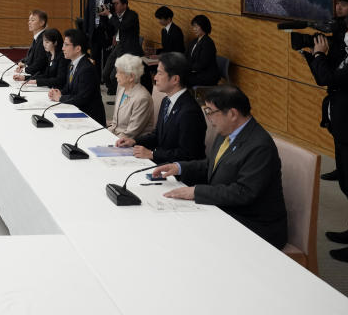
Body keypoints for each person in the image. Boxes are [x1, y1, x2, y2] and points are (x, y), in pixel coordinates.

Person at [153, 86, 287, 249]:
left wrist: (196, 192)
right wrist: (179, 167)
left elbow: (243, 192)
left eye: (210, 111)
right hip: (226, 209)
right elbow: (212, 166)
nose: (208, 118)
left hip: (255, 224)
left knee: (189, 236)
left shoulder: (259, 146)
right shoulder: (226, 133)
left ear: (232, 114)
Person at [304, 14, 348, 261]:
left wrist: (319, 56)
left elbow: (330, 78)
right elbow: (324, 76)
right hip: (344, 127)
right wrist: (312, 56)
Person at [116, 52, 205, 164]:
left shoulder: (189, 111)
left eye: (159, 73)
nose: (155, 78)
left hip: (177, 173)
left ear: (175, 79)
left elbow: (187, 154)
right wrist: (134, 141)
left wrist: (152, 154)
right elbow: (157, 135)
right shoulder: (167, 101)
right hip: (163, 162)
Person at [318, 0, 348, 181]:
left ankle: (346, 169)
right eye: (337, 3)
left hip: (347, 84)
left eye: (343, 4)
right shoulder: (335, 26)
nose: (338, 7)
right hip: (336, 84)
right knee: (337, 130)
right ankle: (340, 167)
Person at [47, 29, 106, 125]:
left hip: (90, 119)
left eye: (66, 45)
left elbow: (82, 98)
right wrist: (59, 92)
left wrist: (60, 98)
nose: (62, 48)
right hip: (78, 112)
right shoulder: (72, 63)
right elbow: (69, 88)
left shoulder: (87, 69)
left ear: (78, 48)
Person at [100, 0, 144, 94]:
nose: (114, 6)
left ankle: (118, 94)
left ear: (125, 5)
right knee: (105, 72)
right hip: (118, 46)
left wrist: (109, 15)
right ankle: (113, 90)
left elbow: (122, 26)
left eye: (117, 3)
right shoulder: (115, 15)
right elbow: (109, 28)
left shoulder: (132, 15)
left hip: (128, 49)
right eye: (113, 3)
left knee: (115, 75)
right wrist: (103, 16)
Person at [106, 54, 155, 141]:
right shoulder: (122, 89)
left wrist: (108, 140)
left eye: (119, 72)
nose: (115, 75)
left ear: (131, 77)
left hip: (130, 144)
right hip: (116, 137)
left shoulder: (142, 98)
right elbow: (115, 124)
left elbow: (131, 133)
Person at [82, 0, 114, 77]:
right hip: (93, 30)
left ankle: (105, 77)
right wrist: (85, 31)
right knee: (94, 56)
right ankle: (96, 78)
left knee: (106, 56)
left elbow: (113, 14)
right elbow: (87, 14)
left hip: (105, 31)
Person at [14, 9, 48, 81]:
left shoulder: (44, 39)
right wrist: (22, 62)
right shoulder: (37, 37)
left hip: (41, 77)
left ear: (42, 23)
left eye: (32, 20)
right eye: (29, 20)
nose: (29, 23)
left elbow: (40, 63)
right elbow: (30, 57)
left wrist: (24, 70)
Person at [187, 14, 219, 86]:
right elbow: (187, 57)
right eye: (193, 26)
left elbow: (202, 64)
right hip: (196, 72)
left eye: (196, 26)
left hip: (206, 76)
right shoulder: (194, 41)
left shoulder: (208, 43)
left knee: (180, 79)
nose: (194, 29)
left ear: (203, 26)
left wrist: (187, 69)